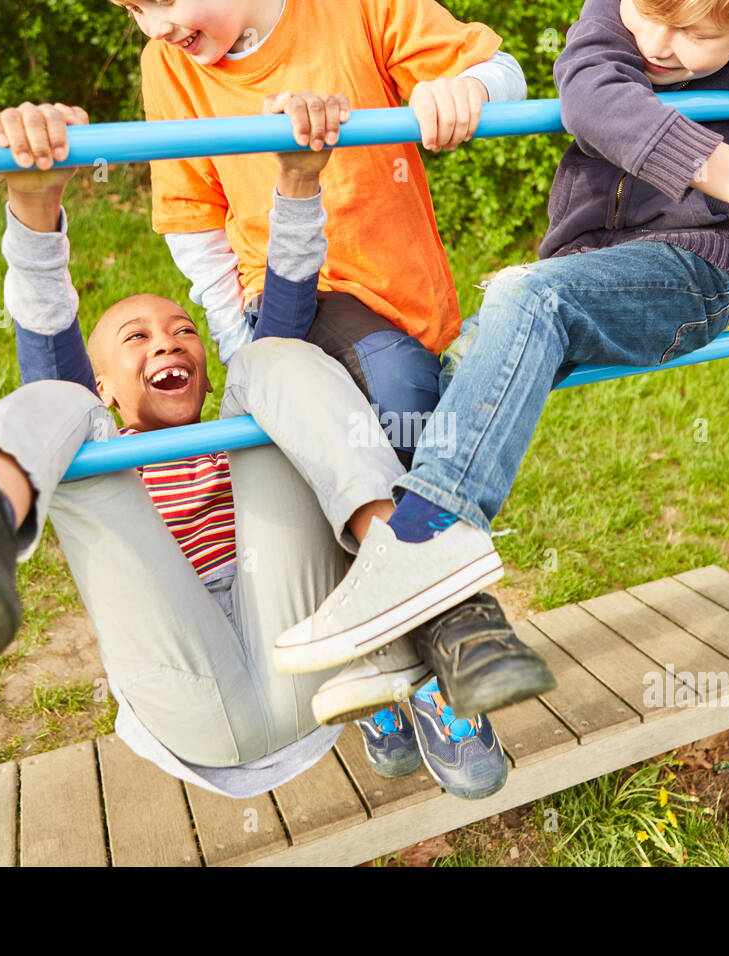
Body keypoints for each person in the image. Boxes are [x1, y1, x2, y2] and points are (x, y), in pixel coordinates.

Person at [0, 99, 509, 801]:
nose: (169, 342)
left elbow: (282, 315)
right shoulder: (100, 424)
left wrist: (299, 181)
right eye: (136, 338)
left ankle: (400, 565)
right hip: (194, 698)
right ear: (110, 383)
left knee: (273, 358)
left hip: (307, 672)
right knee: (63, 411)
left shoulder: (239, 425)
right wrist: (35, 204)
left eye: (183, 331)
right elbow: (51, 355)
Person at [269, 0, 729, 677]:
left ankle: (425, 545)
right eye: (647, 12)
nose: (654, 42)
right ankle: (424, 641)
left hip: (697, 265)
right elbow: (591, 95)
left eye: (692, 34)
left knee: (525, 296)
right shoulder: (613, 18)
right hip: (585, 265)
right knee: (459, 371)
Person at [107, 0, 556, 719]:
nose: (154, 26)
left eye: (160, 0)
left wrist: (466, 89)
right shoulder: (169, 68)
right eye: (132, 9)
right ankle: (460, 640)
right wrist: (249, 354)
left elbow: (501, 70)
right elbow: (195, 228)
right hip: (284, 296)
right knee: (393, 398)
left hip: (404, 297)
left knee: (388, 427)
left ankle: (389, 664)